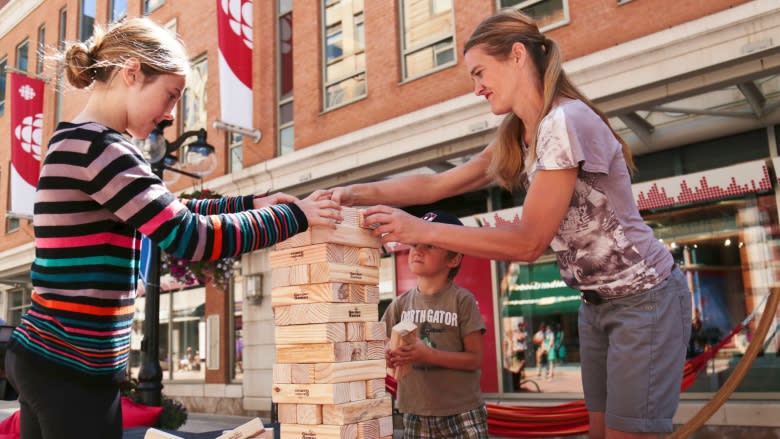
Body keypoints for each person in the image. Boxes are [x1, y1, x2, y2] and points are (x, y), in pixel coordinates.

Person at [332, 9, 692, 438]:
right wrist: (351, 194)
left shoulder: (565, 121)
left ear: (517, 55)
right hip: (595, 306)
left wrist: (421, 230)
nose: (476, 88)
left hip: (645, 298)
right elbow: (436, 185)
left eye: (480, 72)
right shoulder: (519, 134)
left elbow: (528, 243)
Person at [4, 17, 340, 439]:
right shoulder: (101, 148)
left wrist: (249, 203)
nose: (172, 113)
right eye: (170, 94)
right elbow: (187, 235)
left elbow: (164, 207)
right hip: (72, 367)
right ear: (131, 73)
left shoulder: (80, 140)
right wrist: (298, 216)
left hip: (50, 357)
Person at [382, 211, 488, 439]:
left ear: (454, 259)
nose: (417, 250)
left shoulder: (462, 300)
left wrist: (429, 355)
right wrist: (388, 356)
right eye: (414, 244)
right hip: (413, 413)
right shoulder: (399, 305)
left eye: (430, 246)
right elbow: (380, 346)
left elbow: (476, 359)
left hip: (461, 411)